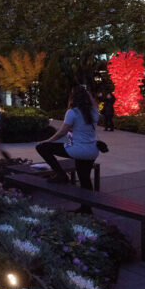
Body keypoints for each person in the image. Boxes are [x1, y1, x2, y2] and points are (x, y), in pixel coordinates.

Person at [36, 85, 100, 214]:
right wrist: (87, 93)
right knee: (85, 179)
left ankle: (61, 174)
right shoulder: (94, 111)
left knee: (42, 148)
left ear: (73, 97)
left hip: (77, 149)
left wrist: (48, 140)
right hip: (92, 150)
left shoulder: (73, 112)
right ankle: (86, 209)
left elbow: (62, 132)